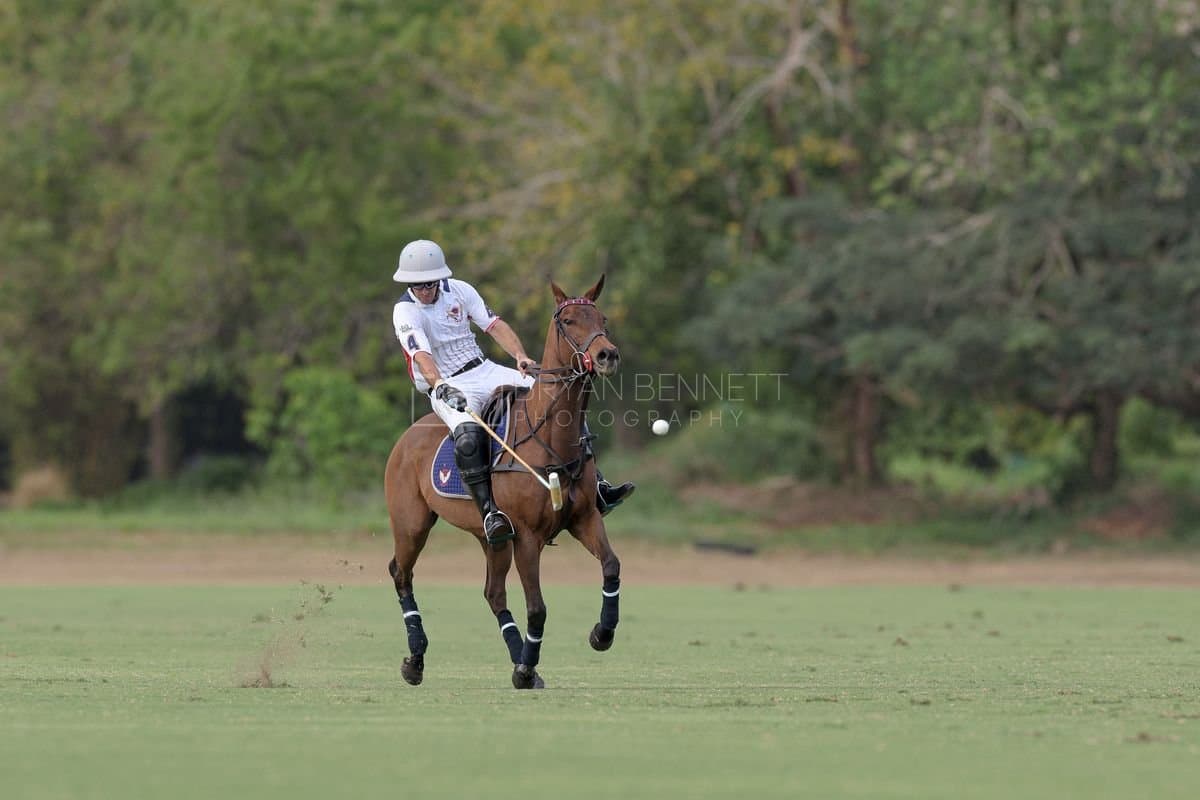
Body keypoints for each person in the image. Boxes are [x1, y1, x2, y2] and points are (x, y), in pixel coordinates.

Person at [392, 239, 634, 545]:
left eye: (430, 283)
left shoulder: (460, 290)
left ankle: (597, 485)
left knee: (556, 397)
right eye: (418, 285)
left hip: (483, 368)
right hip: (447, 381)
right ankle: (490, 513)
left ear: (440, 278)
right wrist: (439, 385)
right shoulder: (405, 311)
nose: (425, 290)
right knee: (468, 436)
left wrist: (519, 356)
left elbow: (494, 325)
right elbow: (421, 355)